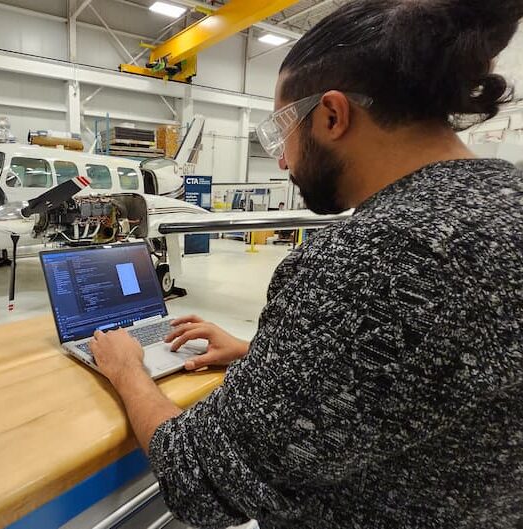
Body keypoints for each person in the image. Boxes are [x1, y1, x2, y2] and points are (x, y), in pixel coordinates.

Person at [88, 0, 523, 528]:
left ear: (332, 116)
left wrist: (127, 369)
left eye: (281, 131)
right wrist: (267, 356)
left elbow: (200, 479)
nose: (281, 159)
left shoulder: (371, 258)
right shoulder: (509, 201)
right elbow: (437, 378)